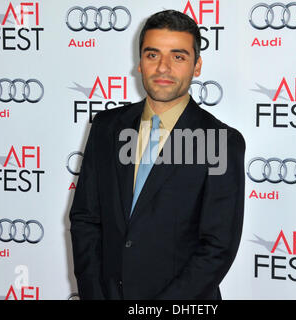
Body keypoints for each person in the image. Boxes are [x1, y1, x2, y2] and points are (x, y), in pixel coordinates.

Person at [69, 9, 245, 300]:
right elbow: (86, 219)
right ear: (140, 63)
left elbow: (218, 247)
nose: (163, 68)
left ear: (196, 66)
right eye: (153, 55)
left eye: (178, 56)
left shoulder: (221, 141)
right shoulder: (106, 127)